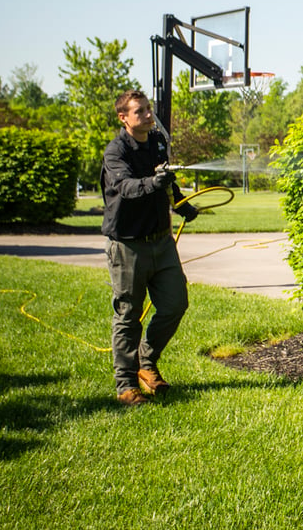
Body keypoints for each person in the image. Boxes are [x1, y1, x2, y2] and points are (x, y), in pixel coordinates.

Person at [101, 89, 198, 406]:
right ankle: (126, 385)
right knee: (128, 315)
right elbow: (125, 187)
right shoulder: (116, 152)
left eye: (148, 109)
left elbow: (166, 179)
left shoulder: (157, 141)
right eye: (139, 111)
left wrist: (180, 204)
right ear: (123, 117)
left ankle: (146, 360)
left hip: (161, 240)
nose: (147, 114)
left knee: (175, 304)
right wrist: (152, 183)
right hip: (127, 245)